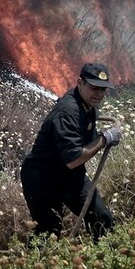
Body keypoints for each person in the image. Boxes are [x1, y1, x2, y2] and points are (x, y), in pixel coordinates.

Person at [20, 62, 122, 242]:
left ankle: (103, 263)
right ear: (80, 82)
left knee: (102, 218)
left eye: (103, 89)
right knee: (49, 231)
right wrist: (105, 138)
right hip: (42, 177)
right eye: (94, 87)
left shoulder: (86, 105)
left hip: (69, 175)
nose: (99, 93)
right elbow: (73, 159)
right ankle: (34, 266)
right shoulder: (68, 111)